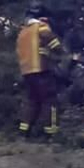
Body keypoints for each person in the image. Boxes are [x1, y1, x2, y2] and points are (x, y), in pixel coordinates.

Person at [16, 7, 63, 137]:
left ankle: (24, 130)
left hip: (26, 72)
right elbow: (55, 44)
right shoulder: (41, 27)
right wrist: (60, 52)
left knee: (32, 100)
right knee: (50, 100)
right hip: (41, 69)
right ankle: (51, 132)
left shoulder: (23, 32)